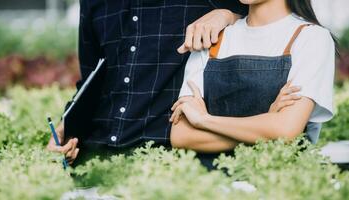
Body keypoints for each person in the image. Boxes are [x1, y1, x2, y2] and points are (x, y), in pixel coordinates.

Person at [46, 0, 250, 165]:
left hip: (169, 159)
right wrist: (68, 128)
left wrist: (229, 16)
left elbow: (265, 18)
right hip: (95, 158)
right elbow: (91, 79)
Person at [170, 0, 336, 157]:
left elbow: (286, 129)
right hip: (212, 182)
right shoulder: (212, 35)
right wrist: (266, 128)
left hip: (279, 180)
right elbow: (182, 136)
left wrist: (204, 120)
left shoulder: (312, 37)